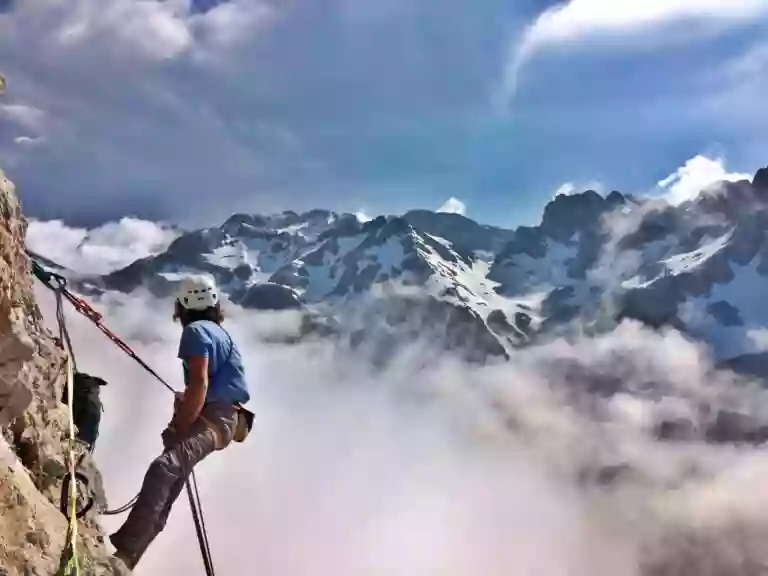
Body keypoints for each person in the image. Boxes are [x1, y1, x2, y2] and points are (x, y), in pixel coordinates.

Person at [109, 275, 250, 571]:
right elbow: (207, 384)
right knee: (170, 479)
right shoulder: (218, 332)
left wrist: (181, 425)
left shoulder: (195, 332)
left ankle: (125, 553)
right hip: (222, 417)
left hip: (214, 418)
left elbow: (199, 383)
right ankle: (125, 559)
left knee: (164, 469)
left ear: (182, 306)